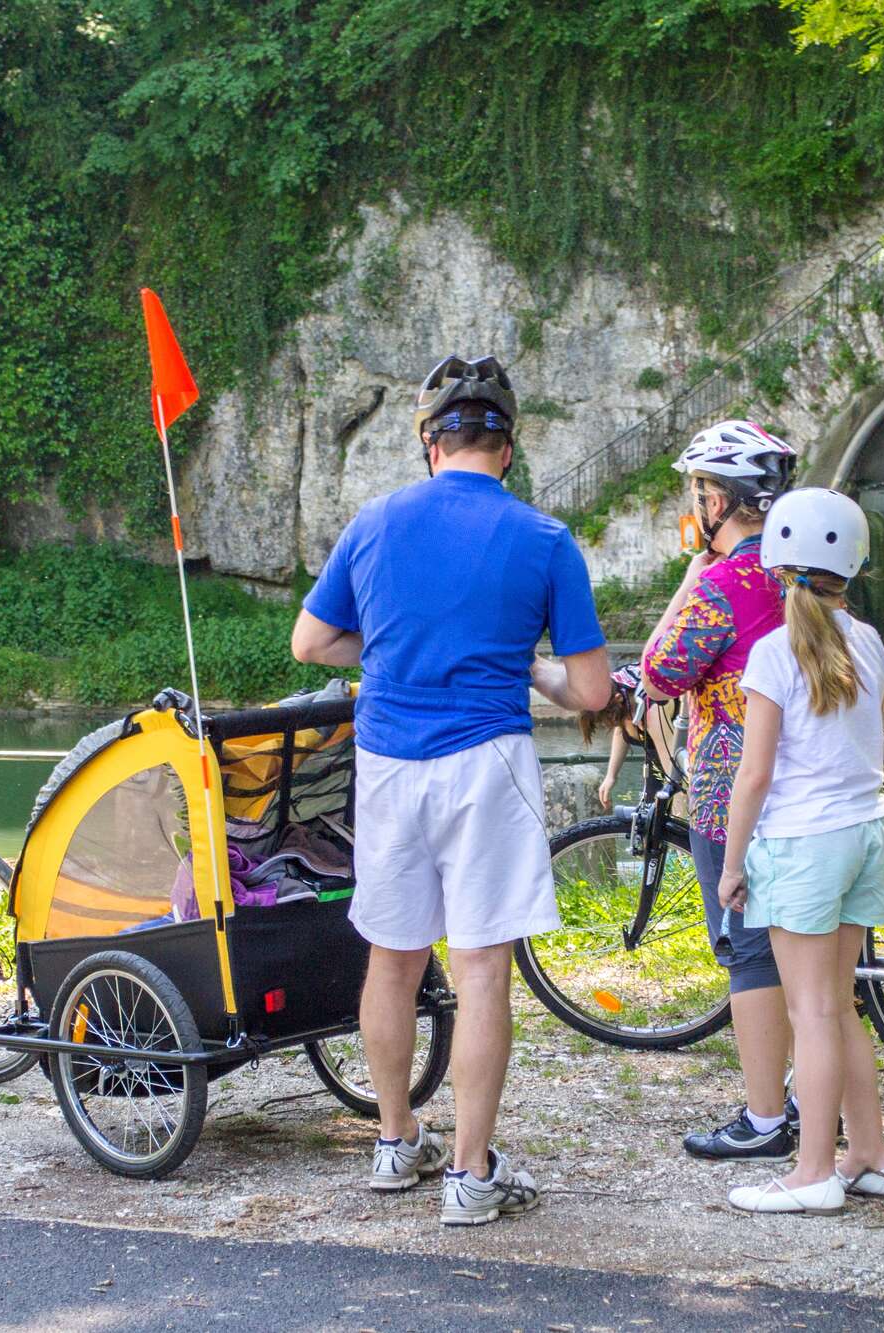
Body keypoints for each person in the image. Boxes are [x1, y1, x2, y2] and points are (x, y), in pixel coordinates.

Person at [291, 353, 611, 1227]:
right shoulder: (543, 539)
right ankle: (470, 1177)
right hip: (487, 762)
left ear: (431, 443)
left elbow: (310, 643)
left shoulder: (374, 521)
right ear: (508, 449)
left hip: (389, 762)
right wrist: (530, 666)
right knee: (480, 973)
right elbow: (590, 692)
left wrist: (390, 652)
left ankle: (395, 1142)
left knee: (391, 959)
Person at [718, 487, 884, 1216]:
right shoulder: (871, 640)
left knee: (814, 1011)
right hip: (866, 833)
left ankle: (813, 1171)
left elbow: (754, 774)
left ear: (776, 563)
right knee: (841, 1004)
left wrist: (732, 863)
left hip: (803, 843)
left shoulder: (773, 653)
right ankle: (870, 1154)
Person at [640, 420, 799, 1162]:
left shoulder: (724, 580)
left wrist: (692, 571)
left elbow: (660, 667)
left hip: (731, 789)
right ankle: (806, 1093)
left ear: (722, 500)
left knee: (750, 952)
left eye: (699, 491)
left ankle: (767, 1117)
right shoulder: (801, 571)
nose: (695, 504)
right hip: (810, 783)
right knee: (804, 954)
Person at [580, 665, 677, 812]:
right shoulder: (617, 692)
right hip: (655, 757)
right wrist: (611, 775)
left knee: (676, 808)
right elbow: (620, 729)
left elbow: (674, 772)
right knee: (650, 813)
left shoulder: (652, 712)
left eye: (608, 721)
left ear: (619, 700)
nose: (609, 726)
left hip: (679, 747)